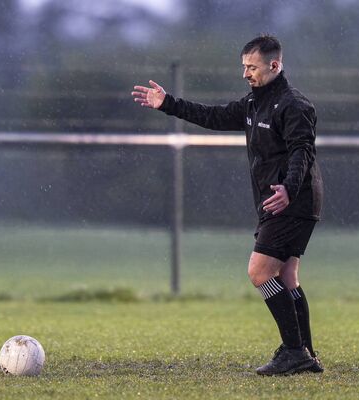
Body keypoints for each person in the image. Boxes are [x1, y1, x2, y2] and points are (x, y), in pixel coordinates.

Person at [131, 35, 324, 376]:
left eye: (252, 67)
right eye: (244, 67)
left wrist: (290, 190)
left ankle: (295, 352)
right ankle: (304, 352)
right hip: (283, 200)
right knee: (287, 275)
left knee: (260, 272)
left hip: (292, 200)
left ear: (274, 65)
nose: (246, 74)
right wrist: (168, 103)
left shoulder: (293, 104)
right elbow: (214, 116)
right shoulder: (254, 104)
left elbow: (302, 151)